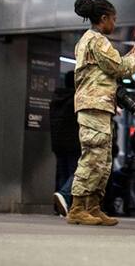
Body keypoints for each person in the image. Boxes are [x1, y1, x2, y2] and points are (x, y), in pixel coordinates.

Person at [65, 0, 135, 226]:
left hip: (98, 105)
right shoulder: (97, 40)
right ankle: (78, 207)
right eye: (114, 19)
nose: (115, 24)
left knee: (102, 159)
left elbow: (110, 68)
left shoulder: (88, 41)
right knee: (92, 158)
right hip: (94, 106)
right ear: (103, 18)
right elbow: (118, 68)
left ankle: (92, 206)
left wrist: (131, 56)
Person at [50, 71, 80, 217]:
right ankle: (64, 196)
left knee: (63, 173)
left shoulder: (56, 98)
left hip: (57, 142)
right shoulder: (77, 98)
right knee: (77, 172)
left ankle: (61, 207)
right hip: (74, 142)